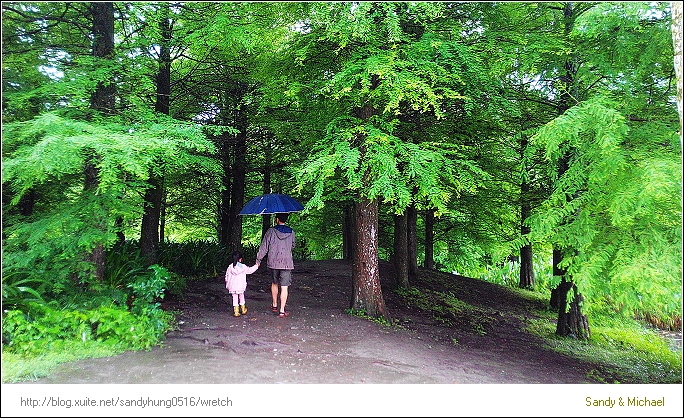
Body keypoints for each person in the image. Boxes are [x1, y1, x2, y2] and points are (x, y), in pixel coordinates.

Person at [256, 212, 295, 318]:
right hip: (286, 263)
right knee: (285, 287)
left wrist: (258, 260)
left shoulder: (271, 231)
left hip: (273, 262)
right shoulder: (291, 232)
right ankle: (282, 311)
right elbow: (293, 245)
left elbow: (264, 247)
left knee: (274, 283)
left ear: (277, 219)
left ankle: (274, 305)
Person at [224, 250, 259, 317]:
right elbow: (249, 270)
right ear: (240, 259)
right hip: (240, 286)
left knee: (234, 297)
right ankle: (243, 309)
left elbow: (226, 276)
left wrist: (227, 283)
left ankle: (236, 311)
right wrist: (256, 266)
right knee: (241, 296)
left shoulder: (230, 267)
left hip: (232, 286)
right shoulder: (242, 267)